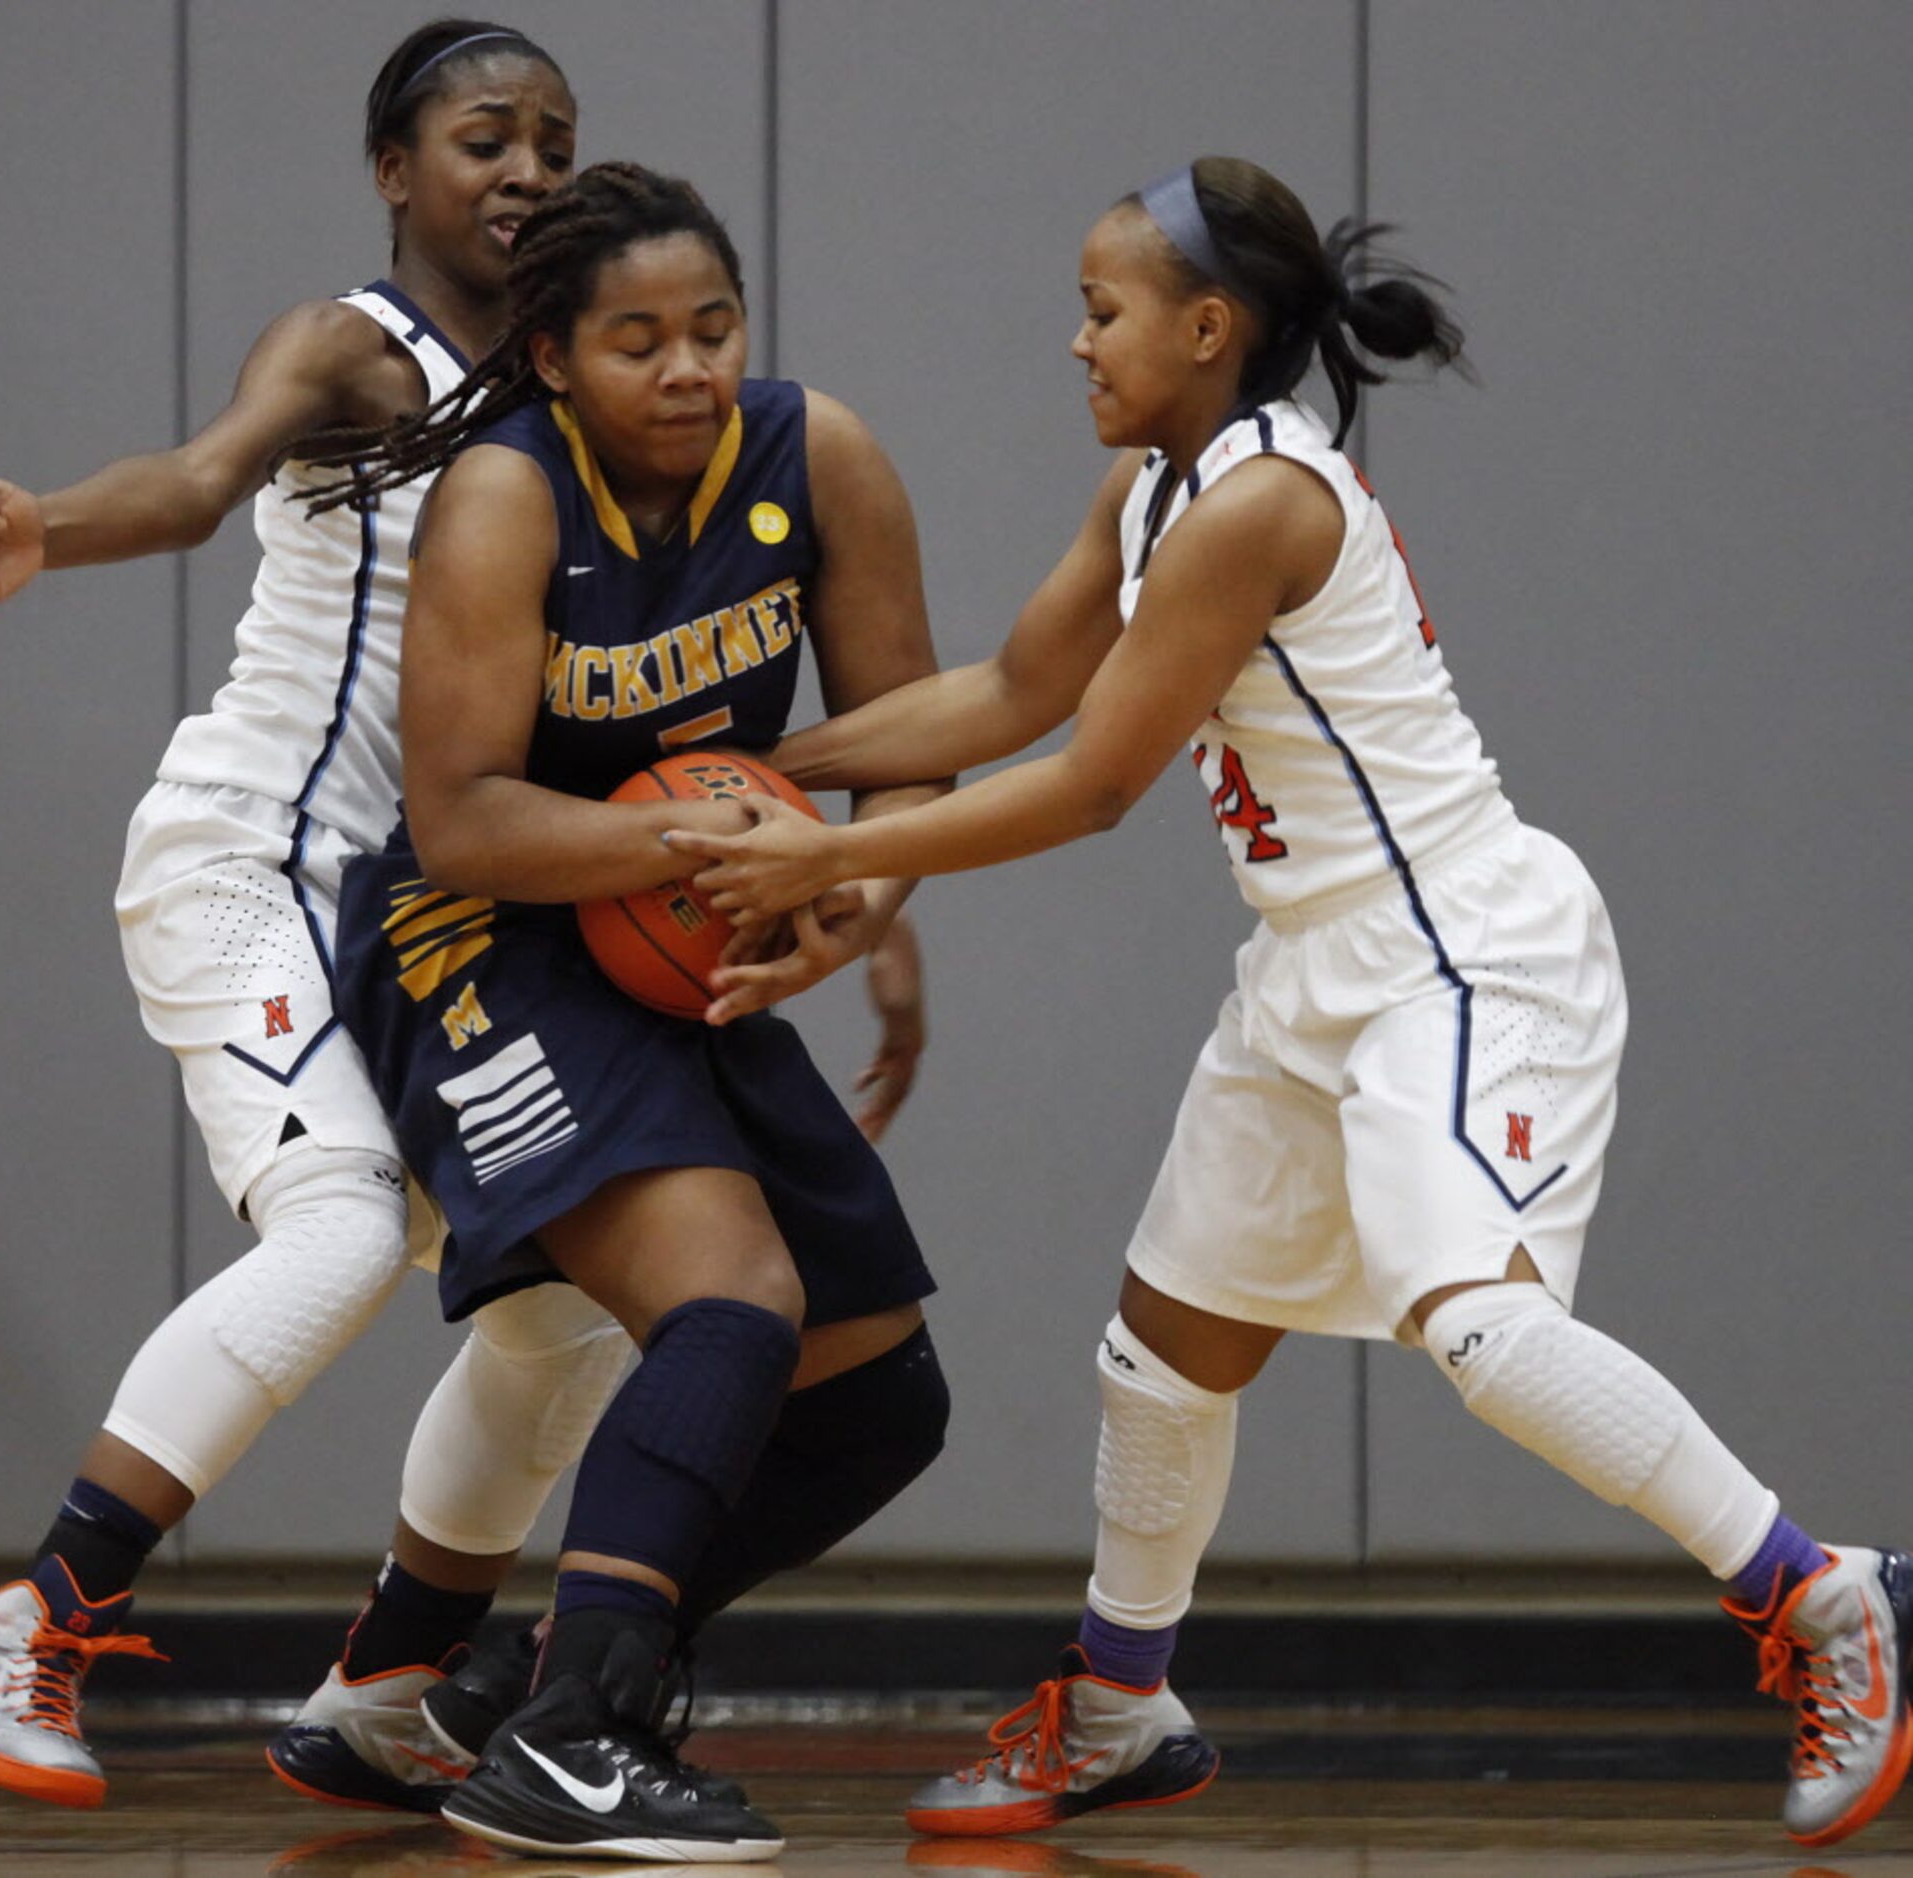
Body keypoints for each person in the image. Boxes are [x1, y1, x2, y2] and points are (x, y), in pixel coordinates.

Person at [668, 156, 1913, 1853]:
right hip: (1312, 965)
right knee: (1164, 1347)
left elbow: (1092, 779)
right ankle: (1120, 1702)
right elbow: (1010, 692)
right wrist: (752, 773)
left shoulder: (1262, 498)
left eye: (1103, 311)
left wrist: (806, 841)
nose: (1078, 342)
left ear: (1206, 325)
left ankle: (1828, 1592)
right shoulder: (1154, 491)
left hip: (1457, 952)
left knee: (1474, 1321)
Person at [0, 22, 927, 1820]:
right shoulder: (352, 349)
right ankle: (32, 1616)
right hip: (254, 858)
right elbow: (204, 477)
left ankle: (389, 1678)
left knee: (559, 1319)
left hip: (448, 903)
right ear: (395, 170)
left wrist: (861, 885)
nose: (525, 166)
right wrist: (48, 529)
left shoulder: (590, 383)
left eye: (555, 135)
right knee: (342, 1232)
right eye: (482, 139)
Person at [299, 160, 952, 1862]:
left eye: (713, 328)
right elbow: (463, 815)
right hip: (483, 932)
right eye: (641, 339)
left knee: (880, 1398)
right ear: (559, 359)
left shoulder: (822, 455)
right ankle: (574, 1738)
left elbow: (906, 740)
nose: (686, 368)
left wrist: (858, 902)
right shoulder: (509, 498)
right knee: (730, 1301)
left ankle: (505, 1692)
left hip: (680, 922)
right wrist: (713, 838)